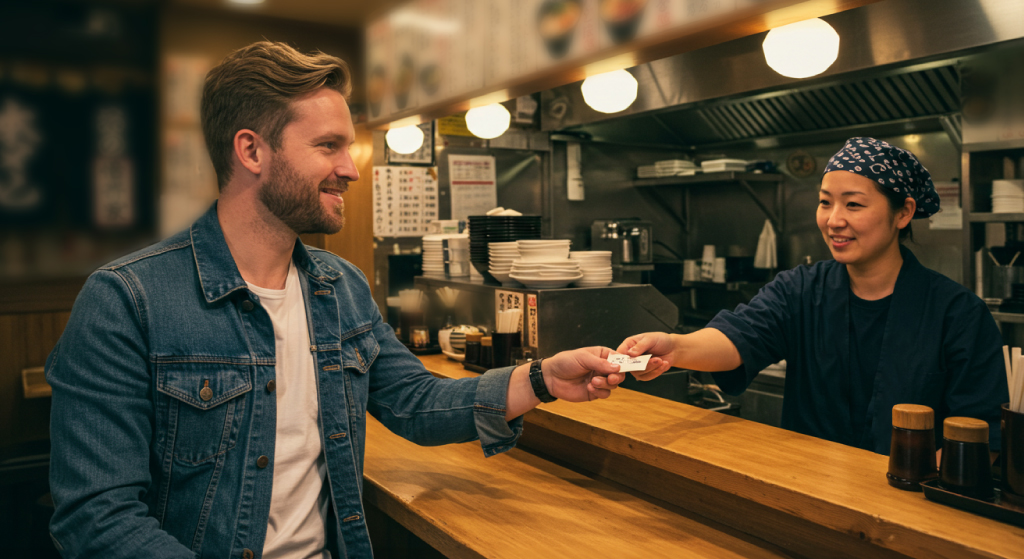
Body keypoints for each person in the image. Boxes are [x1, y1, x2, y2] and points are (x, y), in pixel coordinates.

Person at [45, 41, 624, 559]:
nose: (350, 169)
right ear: (251, 151)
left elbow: (414, 401)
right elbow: (98, 519)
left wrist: (544, 378)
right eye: (328, 146)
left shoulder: (339, 286)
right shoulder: (127, 299)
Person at [615, 137, 1008, 455]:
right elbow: (740, 336)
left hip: (911, 503)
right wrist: (674, 346)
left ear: (903, 213)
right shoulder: (801, 289)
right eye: (825, 202)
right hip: (812, 490)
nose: (834, 219)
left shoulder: (958, 313)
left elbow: (979, 433)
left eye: (853, 204)